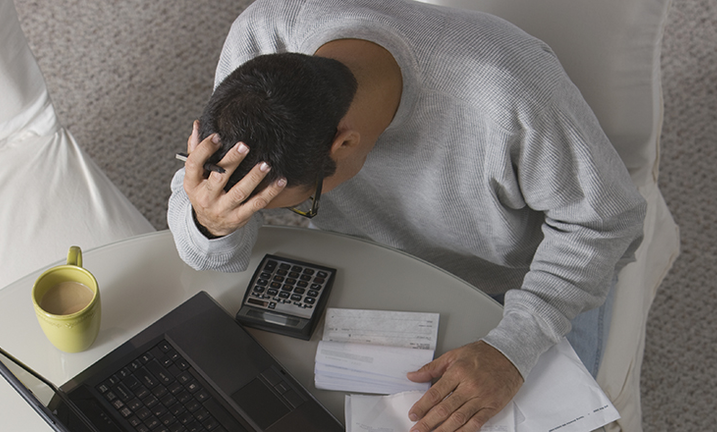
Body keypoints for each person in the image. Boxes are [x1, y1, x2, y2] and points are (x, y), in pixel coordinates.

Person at [167, 1, 646, 431]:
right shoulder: (263, 38)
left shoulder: (509, 91)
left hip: (522, 279)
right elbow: (206, 247)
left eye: (299, 204)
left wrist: (513, 347)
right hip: (370, 262)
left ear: (345, 143)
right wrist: (212, 222)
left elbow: (607, 221)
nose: (288, 211)